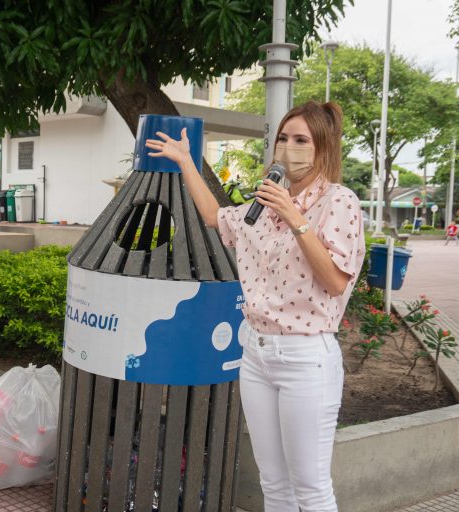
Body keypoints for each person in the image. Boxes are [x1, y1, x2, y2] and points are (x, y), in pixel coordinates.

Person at [146, 101, 364, 512]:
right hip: (257, 354)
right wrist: (186, 160)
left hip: (305, 358)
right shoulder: (263, 204)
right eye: (283, 138)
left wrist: (293, 215)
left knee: (311, 486)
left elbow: (335, 281)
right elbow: (215, 217)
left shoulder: (339, 201)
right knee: (273, 482)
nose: (289, 147)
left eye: (302, 140)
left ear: (323, 148)